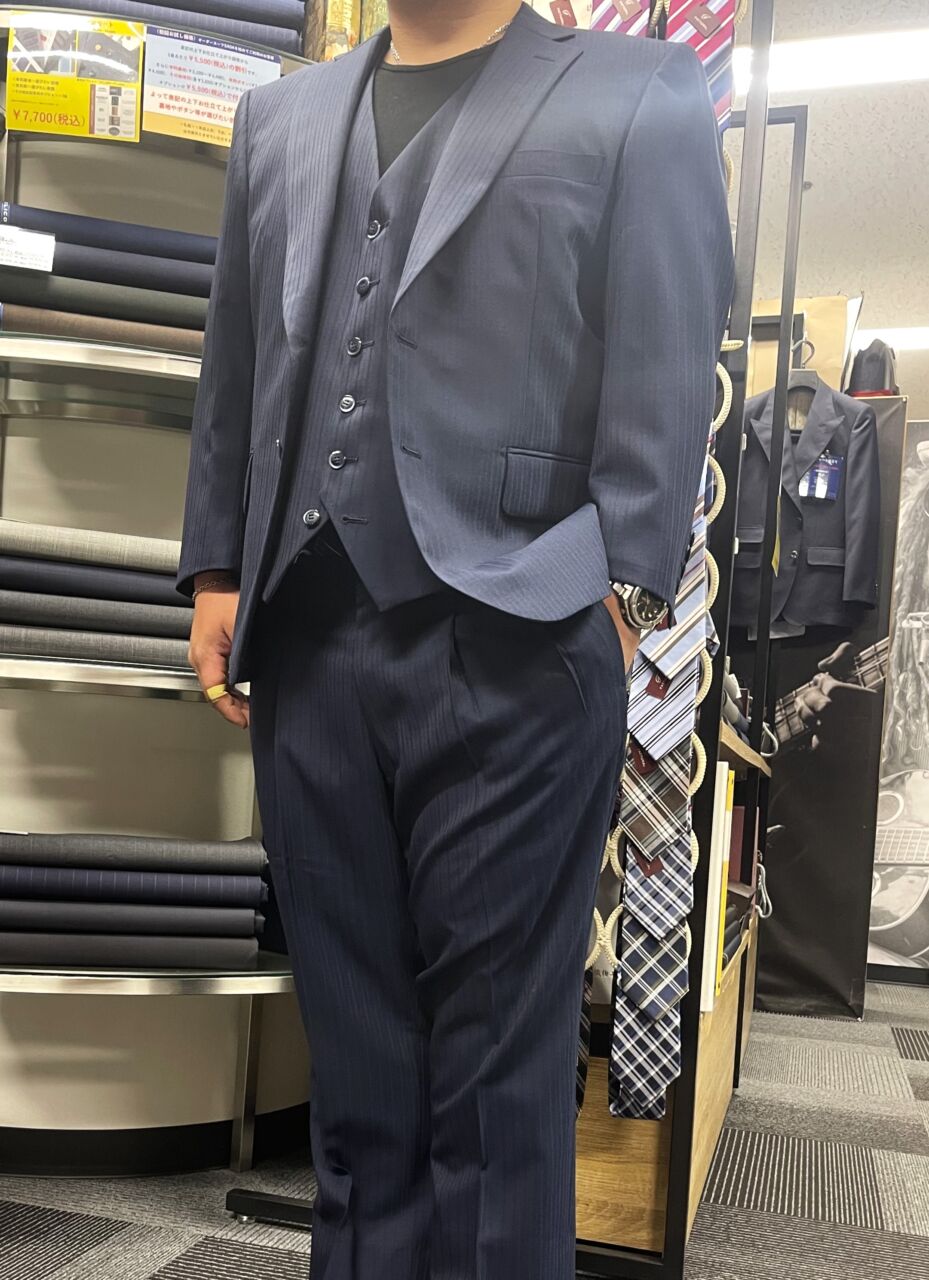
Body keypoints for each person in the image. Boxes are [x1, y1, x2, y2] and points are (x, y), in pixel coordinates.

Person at [177, 3, 733, 1276]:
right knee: (355, 1085)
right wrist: (218, 564)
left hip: (523, 644)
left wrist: (620, 590)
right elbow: (237, 351)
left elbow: (665, 351)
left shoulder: (641, 92)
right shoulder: (278, 118)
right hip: (309, 640)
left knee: (494, 1092)